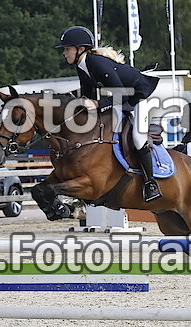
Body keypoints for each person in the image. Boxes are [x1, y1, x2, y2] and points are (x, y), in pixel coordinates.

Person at [55, 25, 162, 202]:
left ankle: (151, 184)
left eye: (67, 49)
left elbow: (122, 94)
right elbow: (87, 96)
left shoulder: (95, 62)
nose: (64, 53)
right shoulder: (82, 66)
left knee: (137, 138)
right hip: (125, 97)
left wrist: (97, 104)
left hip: (141, 95)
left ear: (80, 49)